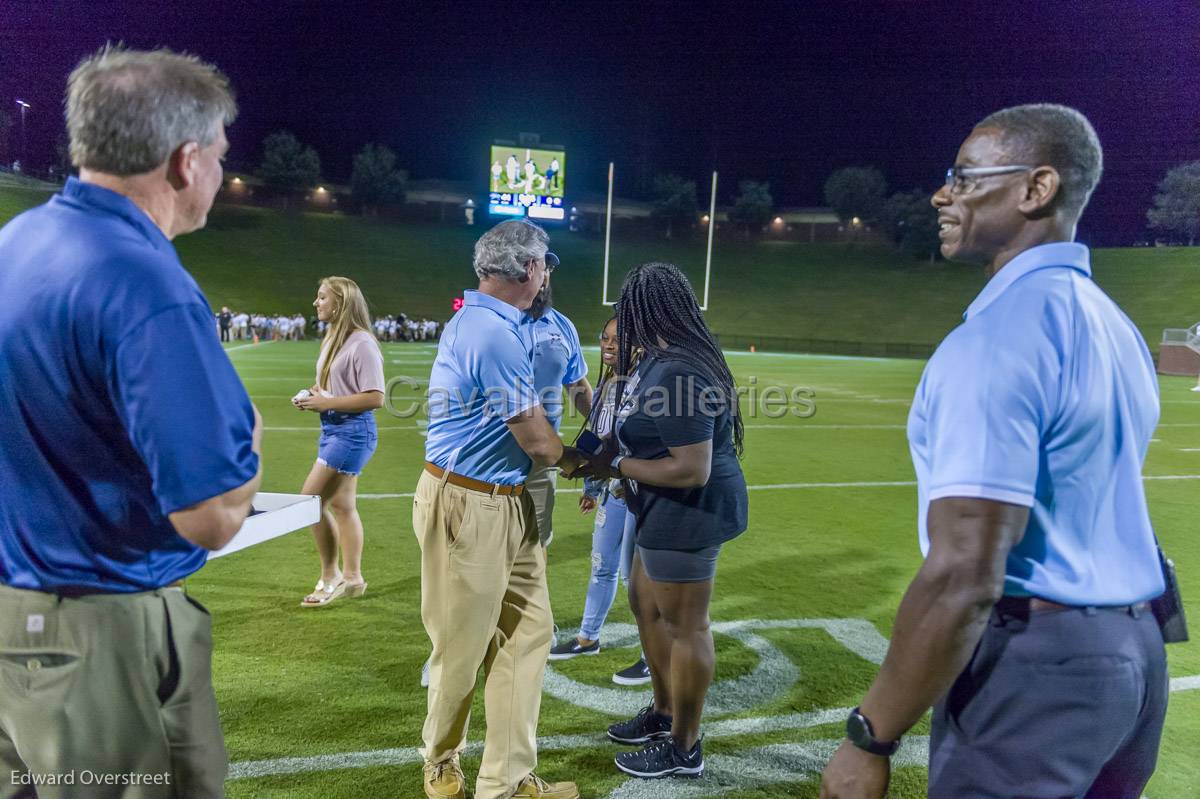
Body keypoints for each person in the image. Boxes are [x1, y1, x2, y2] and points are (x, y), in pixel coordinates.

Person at [820, 104, 1169, 799]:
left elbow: (964, 572)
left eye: (965, 176)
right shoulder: (1114, 324)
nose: (942, 194)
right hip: (1137, 653)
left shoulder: (998, 337)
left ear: (1036, 189)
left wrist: (872, 734)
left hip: (1038, 667)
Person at [0, 46, 261, 798]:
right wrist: (248, 456)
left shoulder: (19, 241)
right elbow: (209, 514)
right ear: (184, 161)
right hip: (99, 626)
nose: (219, 171)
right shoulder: (142, 280)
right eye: (218, 154)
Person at [414, 219, 582, 799]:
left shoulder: (494, 323)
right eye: (544, 264)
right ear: (529, 269)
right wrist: (604, 465)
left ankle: (506, 782)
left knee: (528, 636)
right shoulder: (491, 332)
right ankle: (440, 761)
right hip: (470, 500)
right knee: (463, 646)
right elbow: (539, 441)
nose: (546, 275)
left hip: (510, 501)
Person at [577, 262, 748, 780]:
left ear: (644, 311)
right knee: (645, 605)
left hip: (688, 509)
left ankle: (684, 746)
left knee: (685, 625)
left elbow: (690, 468)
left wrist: (612, 466)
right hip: (657, 503)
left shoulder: (679, 369)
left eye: (627, 310)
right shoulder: (658, 360)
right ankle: (664, 710)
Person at [547, 317, 650, 687]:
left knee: (632, 578)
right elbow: (598, 434)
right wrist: (592, 485)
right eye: (604, 338)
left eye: (617, 340)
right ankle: (588, 638)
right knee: (600, 565)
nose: (608, 345)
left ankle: (650, 655)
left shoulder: (646, 385)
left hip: (638, 493)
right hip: (612, 490)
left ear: (639, 345)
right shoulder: (608, 381)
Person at [293, 276, 385, 607]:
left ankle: (330, 576)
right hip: (334, 429)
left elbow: (375, 397)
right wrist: (314, 396)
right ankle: (353, 578)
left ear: (341, 303)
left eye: (322, 297)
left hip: (352, 433)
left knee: (308, 504)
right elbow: (337, 389)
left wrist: (327, 403)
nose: (316, 303)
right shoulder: (333, 337)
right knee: (344, 506)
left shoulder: (362, 342)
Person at [522, 279, 592, 550]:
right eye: (538, 266)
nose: (545, 276)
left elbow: (577, 385)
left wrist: (609, 429)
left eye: (548, 268)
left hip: (543, 459)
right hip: (489, 458)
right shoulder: (491, 323)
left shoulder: (561, 324)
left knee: (535, 548)